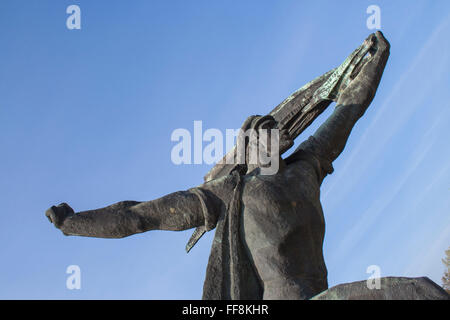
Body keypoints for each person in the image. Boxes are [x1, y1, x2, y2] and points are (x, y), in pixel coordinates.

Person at [46, 31, 390, 300]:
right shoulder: (231, 191)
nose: (272, 133)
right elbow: (140, 216)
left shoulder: (307, 166)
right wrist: (73, 223)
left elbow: (349, 109)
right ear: (250, 146)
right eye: (262, 131)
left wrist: (375, 63)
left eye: (274, 129)